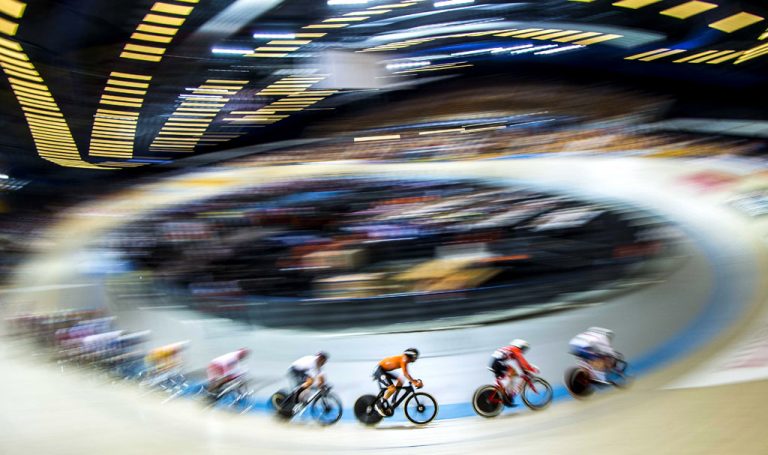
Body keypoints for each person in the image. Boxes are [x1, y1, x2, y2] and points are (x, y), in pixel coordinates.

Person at [373, 348, 422, 416]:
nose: (415, 359)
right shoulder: (404, 359)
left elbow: (406, 374)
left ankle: (393, 401)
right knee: (392, 389)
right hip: (379, 370)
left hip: (383, 370)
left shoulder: (405, 359)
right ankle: (379, 405)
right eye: (415, 357)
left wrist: (414, 381)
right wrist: (414, 382)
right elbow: (405, 374)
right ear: (411, 355)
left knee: (401, 380)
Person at [489, 339, 538, 405]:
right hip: (498, 362)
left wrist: (524, 371)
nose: (523, 350)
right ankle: (506, 394)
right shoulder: (515, 349)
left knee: (512, 374)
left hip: (494, 363)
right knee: (512, 372)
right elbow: (523, 362)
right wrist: (531, 369)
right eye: (523, 348)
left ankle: (505, 394)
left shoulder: (510, 349)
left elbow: (520, 363)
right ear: (519, 345)